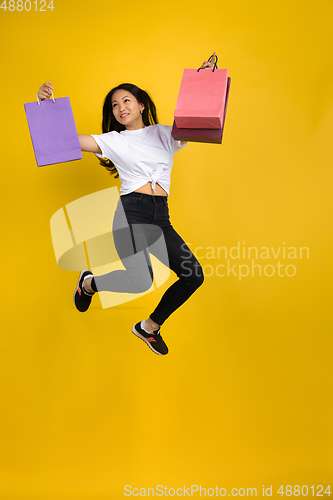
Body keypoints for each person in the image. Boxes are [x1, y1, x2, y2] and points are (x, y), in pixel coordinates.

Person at [37, 53, 217, 356]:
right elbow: (61, 138)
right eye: (114, 105)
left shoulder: (164, 133)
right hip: (132, 212)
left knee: (193, 275)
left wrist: (204, 80)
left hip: (161, 217)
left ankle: (148, 328)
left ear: (141, 105)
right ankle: (90, 284)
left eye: (126, 101)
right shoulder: (112, 140)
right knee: (140, 280)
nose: (120, 108)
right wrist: (44, 105)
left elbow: (196, 119)